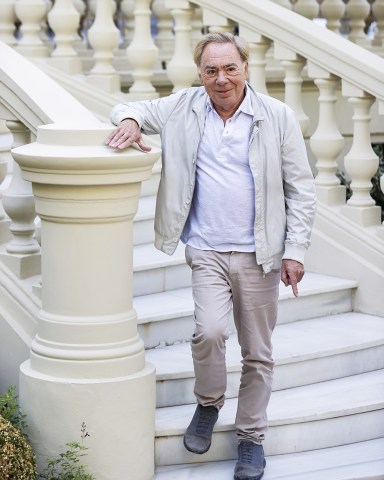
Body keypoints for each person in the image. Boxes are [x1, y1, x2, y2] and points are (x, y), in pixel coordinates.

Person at [106, 32, 316, 480]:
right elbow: (135, 108)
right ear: (200, 72)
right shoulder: (184, 106)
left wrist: (295, 251)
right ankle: (208, 404)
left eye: (229, 68)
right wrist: (128, 120)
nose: (221, 79)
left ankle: (251, 438)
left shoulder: (276, 116)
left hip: (262, 256)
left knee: (258, 352)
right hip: (206, 248)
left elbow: (302, 189)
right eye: (211, 70)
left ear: (245, 67)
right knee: (209, 332)